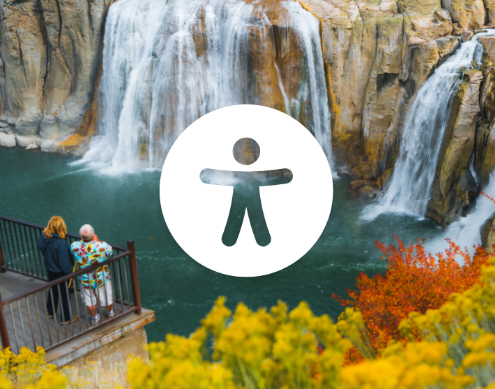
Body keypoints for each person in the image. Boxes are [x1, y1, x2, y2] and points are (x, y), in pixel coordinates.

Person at [37, 216, 78, 324]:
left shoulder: (43, 236)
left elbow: (40, 246)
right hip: (61, 272)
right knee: (65, 294)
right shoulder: (61, 243)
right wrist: (70, 274)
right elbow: (64, 262)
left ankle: (51, 311)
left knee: (53, 289)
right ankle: (66, 318)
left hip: (50, 268)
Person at [70, 224, 114, 325]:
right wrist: (97, 241)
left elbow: (75, 251)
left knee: (89, 299)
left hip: (85, 279)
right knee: (107, 295)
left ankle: (94, 318)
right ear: (93, 234)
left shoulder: (74, 246)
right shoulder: (101, 246)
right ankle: (110, 312)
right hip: (102, 277)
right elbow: (110, 252)